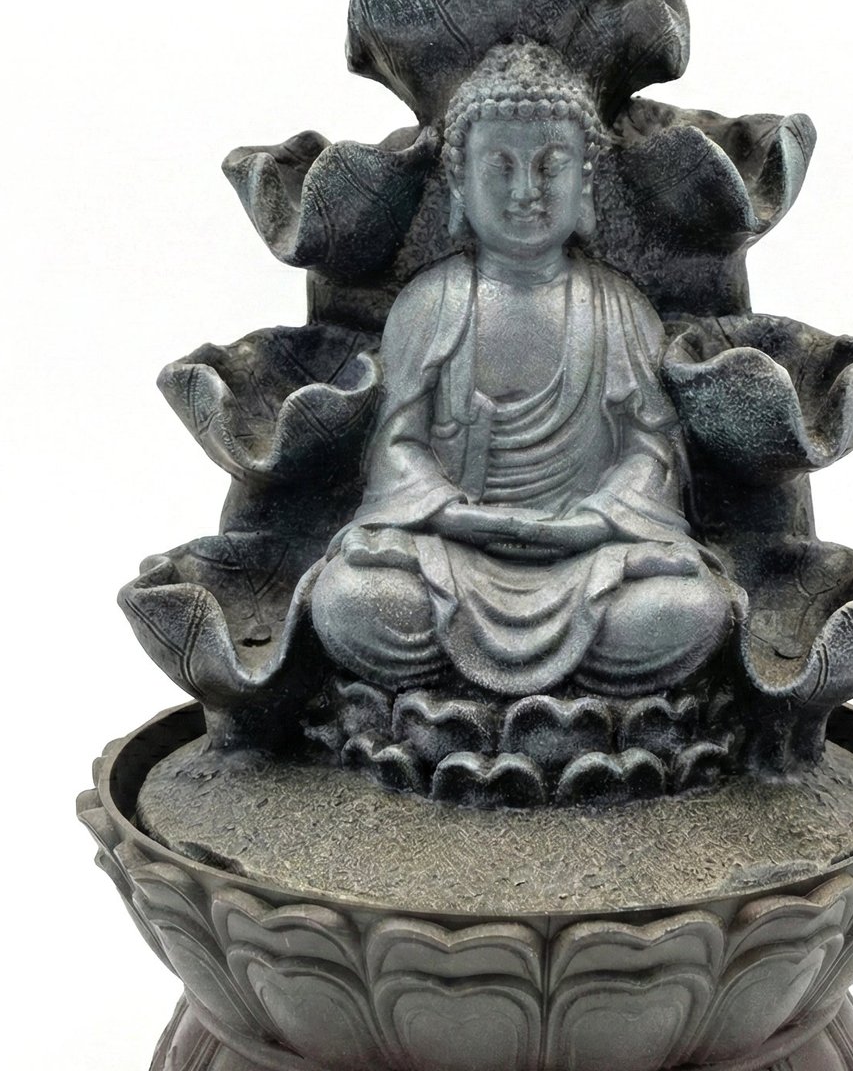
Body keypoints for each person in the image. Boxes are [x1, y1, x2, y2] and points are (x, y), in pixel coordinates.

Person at [309, 40, 733, 698]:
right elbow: (396, 447)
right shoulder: (430, 303)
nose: (525, 191)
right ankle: (567, 706)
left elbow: (650, 450)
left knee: (690, 607)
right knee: (349, 597)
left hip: (588, 555)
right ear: (459, 183)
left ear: (584, 180)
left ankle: (461, 703)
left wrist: (594, 521)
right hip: (455, 553)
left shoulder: (618, 308)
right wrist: (453, 514)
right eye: (500, 166)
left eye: (550, 165)